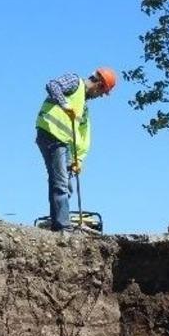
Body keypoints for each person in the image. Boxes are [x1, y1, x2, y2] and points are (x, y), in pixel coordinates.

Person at [36, 67, 115, 231]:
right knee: (60, 183)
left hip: (63, 142)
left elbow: (80, 136)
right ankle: (63, 227)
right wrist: (64, 104)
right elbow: (52, 85)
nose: (100, 96)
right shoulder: (75, 82)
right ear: (99, 85)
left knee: (65, 185)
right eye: (102, 93)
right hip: (50, 134)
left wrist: (77, 159)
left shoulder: (83, 106)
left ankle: (58, 223)